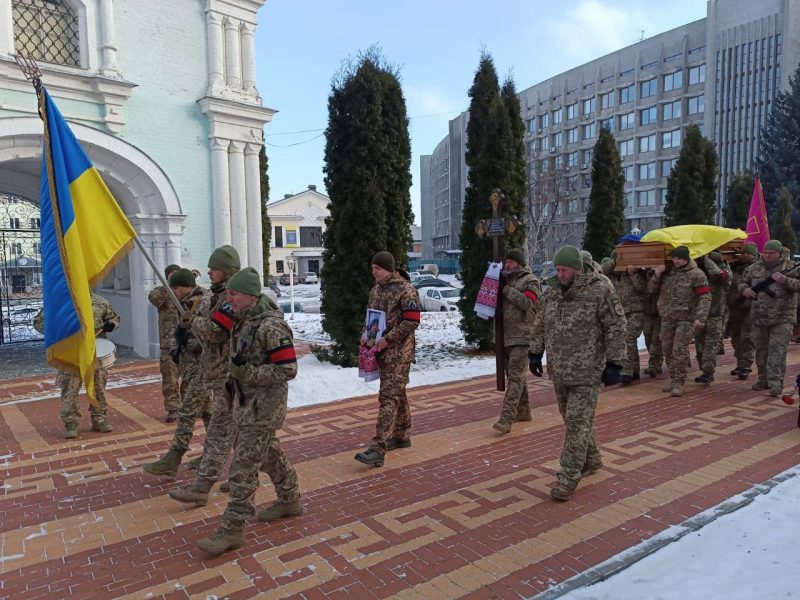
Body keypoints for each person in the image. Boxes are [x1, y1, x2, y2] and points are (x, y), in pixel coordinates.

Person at [196, 267, 301, 556]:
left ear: (250, 296)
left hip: (263, 407)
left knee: (243, 467)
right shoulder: (242, 321)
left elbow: (288, 368)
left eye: (233, 293)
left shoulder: (270, 327)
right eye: (227, 292)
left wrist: (249, 373)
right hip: (245, 404)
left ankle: (232, 529)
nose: (227, 298)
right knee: (270, 454)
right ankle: (289, 498)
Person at [529, 245, 626, 501]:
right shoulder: (551, 293)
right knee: (574, 422)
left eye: (565, 270)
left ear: (577, 268)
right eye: (558, 269)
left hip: (587, 371)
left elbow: (616, 326)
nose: (560, 274)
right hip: (560, 370)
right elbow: (540, 323)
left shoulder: (599, 290)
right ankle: (592, 458)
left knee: (576, 423)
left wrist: (615, 363)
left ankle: (568, 476)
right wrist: (535, 353)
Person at [142, 268, 212, 477]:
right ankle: (213, 453)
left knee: (188, 412)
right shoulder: (182, 301)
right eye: (171, 286)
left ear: (188, 286)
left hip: (202, 367)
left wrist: (191, 339)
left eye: (176, 287)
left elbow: (211, 333)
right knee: (209, 412)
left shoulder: (203, 302)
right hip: (189, 362)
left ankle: (174, 457)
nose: (174, 291)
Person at [354, 251, 421, 467]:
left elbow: (412, 321)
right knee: (397, 392)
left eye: (378, 268)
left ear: (390, 269)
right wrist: (367, 336)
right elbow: (371, 317)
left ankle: (377, 448)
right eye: (372, 268)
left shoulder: (406, 290)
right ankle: (402, 435)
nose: (374, 272)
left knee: (388, 397)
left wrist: (387, 339)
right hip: (380, 351)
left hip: (399, 353)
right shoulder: (375, 290)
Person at [33, 291, 120, 439]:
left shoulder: (100, 301)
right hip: (71, 353)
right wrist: (57, 332)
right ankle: (71, 423)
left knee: (98, 386)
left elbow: (114, 318)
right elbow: (38, 322)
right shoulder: (60, 302)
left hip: (95, 352)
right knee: (70, 389)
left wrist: (112, 324)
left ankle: (99, 418)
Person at [648, 246, 711, 397]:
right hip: (668, 318)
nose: (676, 261)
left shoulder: (696, 274)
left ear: (687, 258)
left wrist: (700, 317)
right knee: (667, 349)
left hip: (686, 319)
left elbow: (705, 297)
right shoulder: (667, 273)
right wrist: (656, 276)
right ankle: (673, 377)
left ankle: (680, 382)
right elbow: (651, 290)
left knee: (679, 350)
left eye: (679, 258)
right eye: (674, 258)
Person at [740, 239, 800, 396]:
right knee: (761, 350)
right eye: (765, 252)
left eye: (771, 253)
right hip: (759, 316)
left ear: (779, 254)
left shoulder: (791, 267)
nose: (767, 255)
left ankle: (775, 383)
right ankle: (763, 379)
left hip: (782, 317)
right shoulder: (753, 268)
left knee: (777, 351)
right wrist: (745, 290)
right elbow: (742, 283)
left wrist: (785, 280)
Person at [493, 248, 541, 434]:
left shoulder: (531, 281)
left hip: (523, 336)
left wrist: (505, 290)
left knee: (514, 378)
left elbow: (527, 303)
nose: (507, 265)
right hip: (505, 338)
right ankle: (523, 410)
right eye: (506, 263)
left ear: (520, 264)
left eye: (511, 262)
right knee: (516, 376)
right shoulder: (503, 281)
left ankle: (506, 419)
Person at [604, 257, 647, 384]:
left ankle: (627, 372)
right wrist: (615, 261)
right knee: (627, 341)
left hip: (636, 311)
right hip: (619, 314)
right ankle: (634, 370)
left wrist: (632, 273)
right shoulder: (610, 275)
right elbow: (601, 269)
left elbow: (642, 288)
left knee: (628, 339)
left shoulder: (635, 273)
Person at [148, 263, 182, 422]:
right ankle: (173, 408)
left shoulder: (186, 290)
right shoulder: (161, 291)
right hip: (169, 343)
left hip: (188, 343)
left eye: (177, 273)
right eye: (172, 274)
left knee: (191, 377)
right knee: (170, 378)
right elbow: (154, 299)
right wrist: (167, 285)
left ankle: (190, 407)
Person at [694, 252, 732, 385]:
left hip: (716, 314)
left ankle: (708, 373)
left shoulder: (725, 271)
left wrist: (706, 259)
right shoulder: (701, 273)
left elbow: (717, 274)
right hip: (699, 315)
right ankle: (704, 369)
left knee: (711, 345)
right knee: (699, 345)